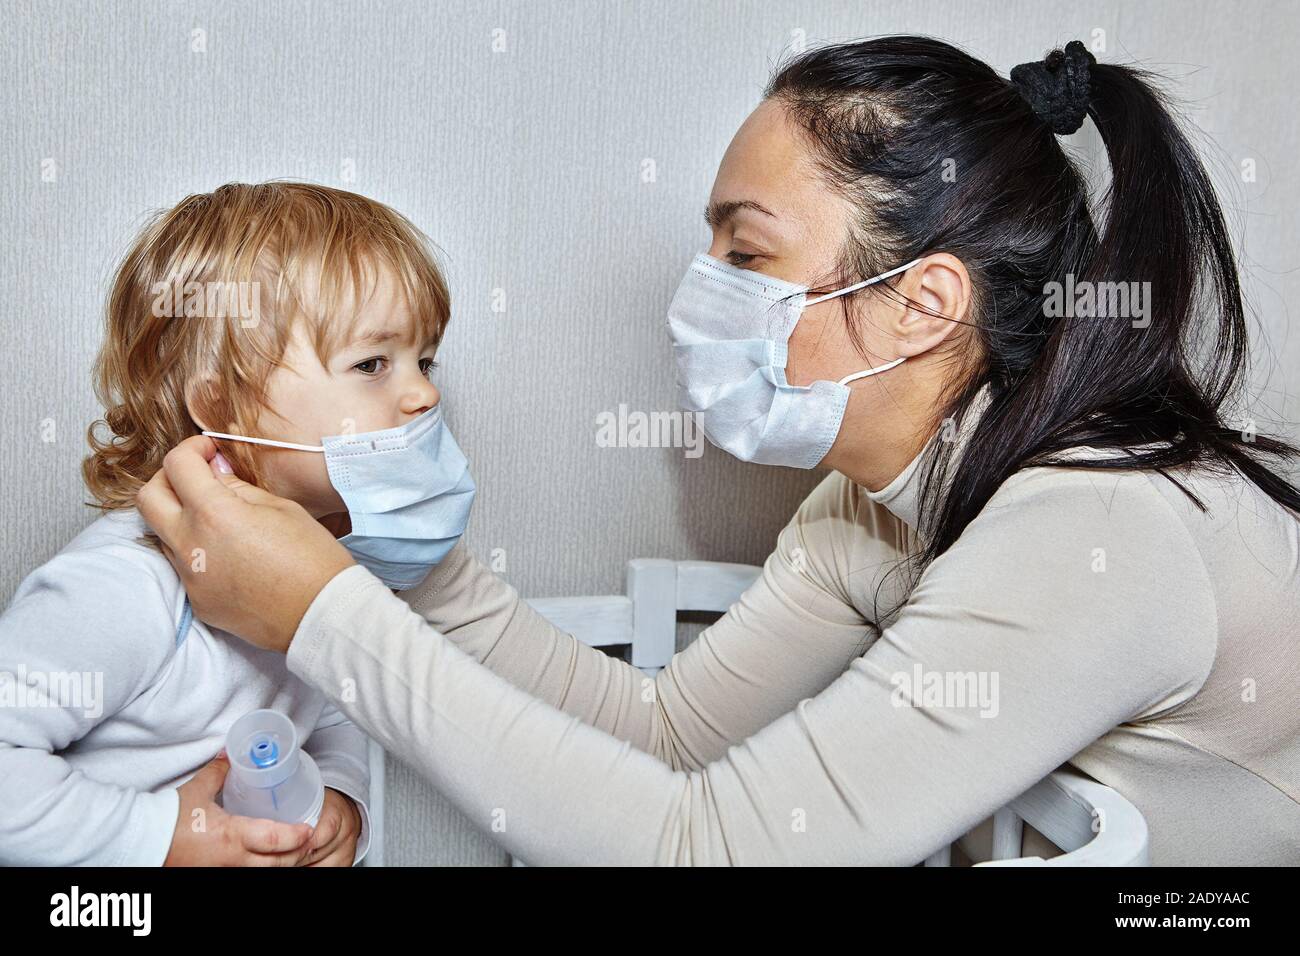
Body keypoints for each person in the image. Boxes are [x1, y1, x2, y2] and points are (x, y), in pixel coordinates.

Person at [137, 38, 1300, 865]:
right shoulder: (869, 506)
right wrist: (413, 564)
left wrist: (326, 618)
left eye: (745, 256)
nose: (702, 298)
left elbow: (711, 850)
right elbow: (671, 734)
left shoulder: (1093, 526)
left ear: (922, 303)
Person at [0, 180, 474, 865]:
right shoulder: (128, 585)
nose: (424, 392)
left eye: (424, 361)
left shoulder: (328, 561)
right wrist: (161, 838)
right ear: (222, 408)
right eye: (372, 363)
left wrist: (341, 800)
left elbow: (335, 709)